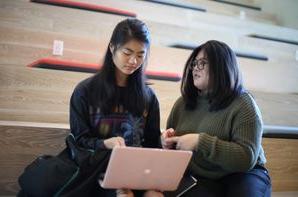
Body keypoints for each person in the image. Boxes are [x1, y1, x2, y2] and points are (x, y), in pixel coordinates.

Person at [161, 40, 271, 197]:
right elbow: (174, 152)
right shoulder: (182, 104)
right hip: (202, 176)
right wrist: (166, 142)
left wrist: (200, 142)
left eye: (202, 63)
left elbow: (246, 158)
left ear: (221, 67)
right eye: (194, 64)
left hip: (243, 174)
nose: (195, 69)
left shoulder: (243, 103)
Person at [70, 18, 163, 197]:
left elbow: (152, 143)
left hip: (137, 172)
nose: (134, 61)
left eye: (140, 55)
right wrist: (106, 143)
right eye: (127, 52)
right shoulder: (85, 91)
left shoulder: (149, 97)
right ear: (112, 48)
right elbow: (79, 141)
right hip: (97, 171)